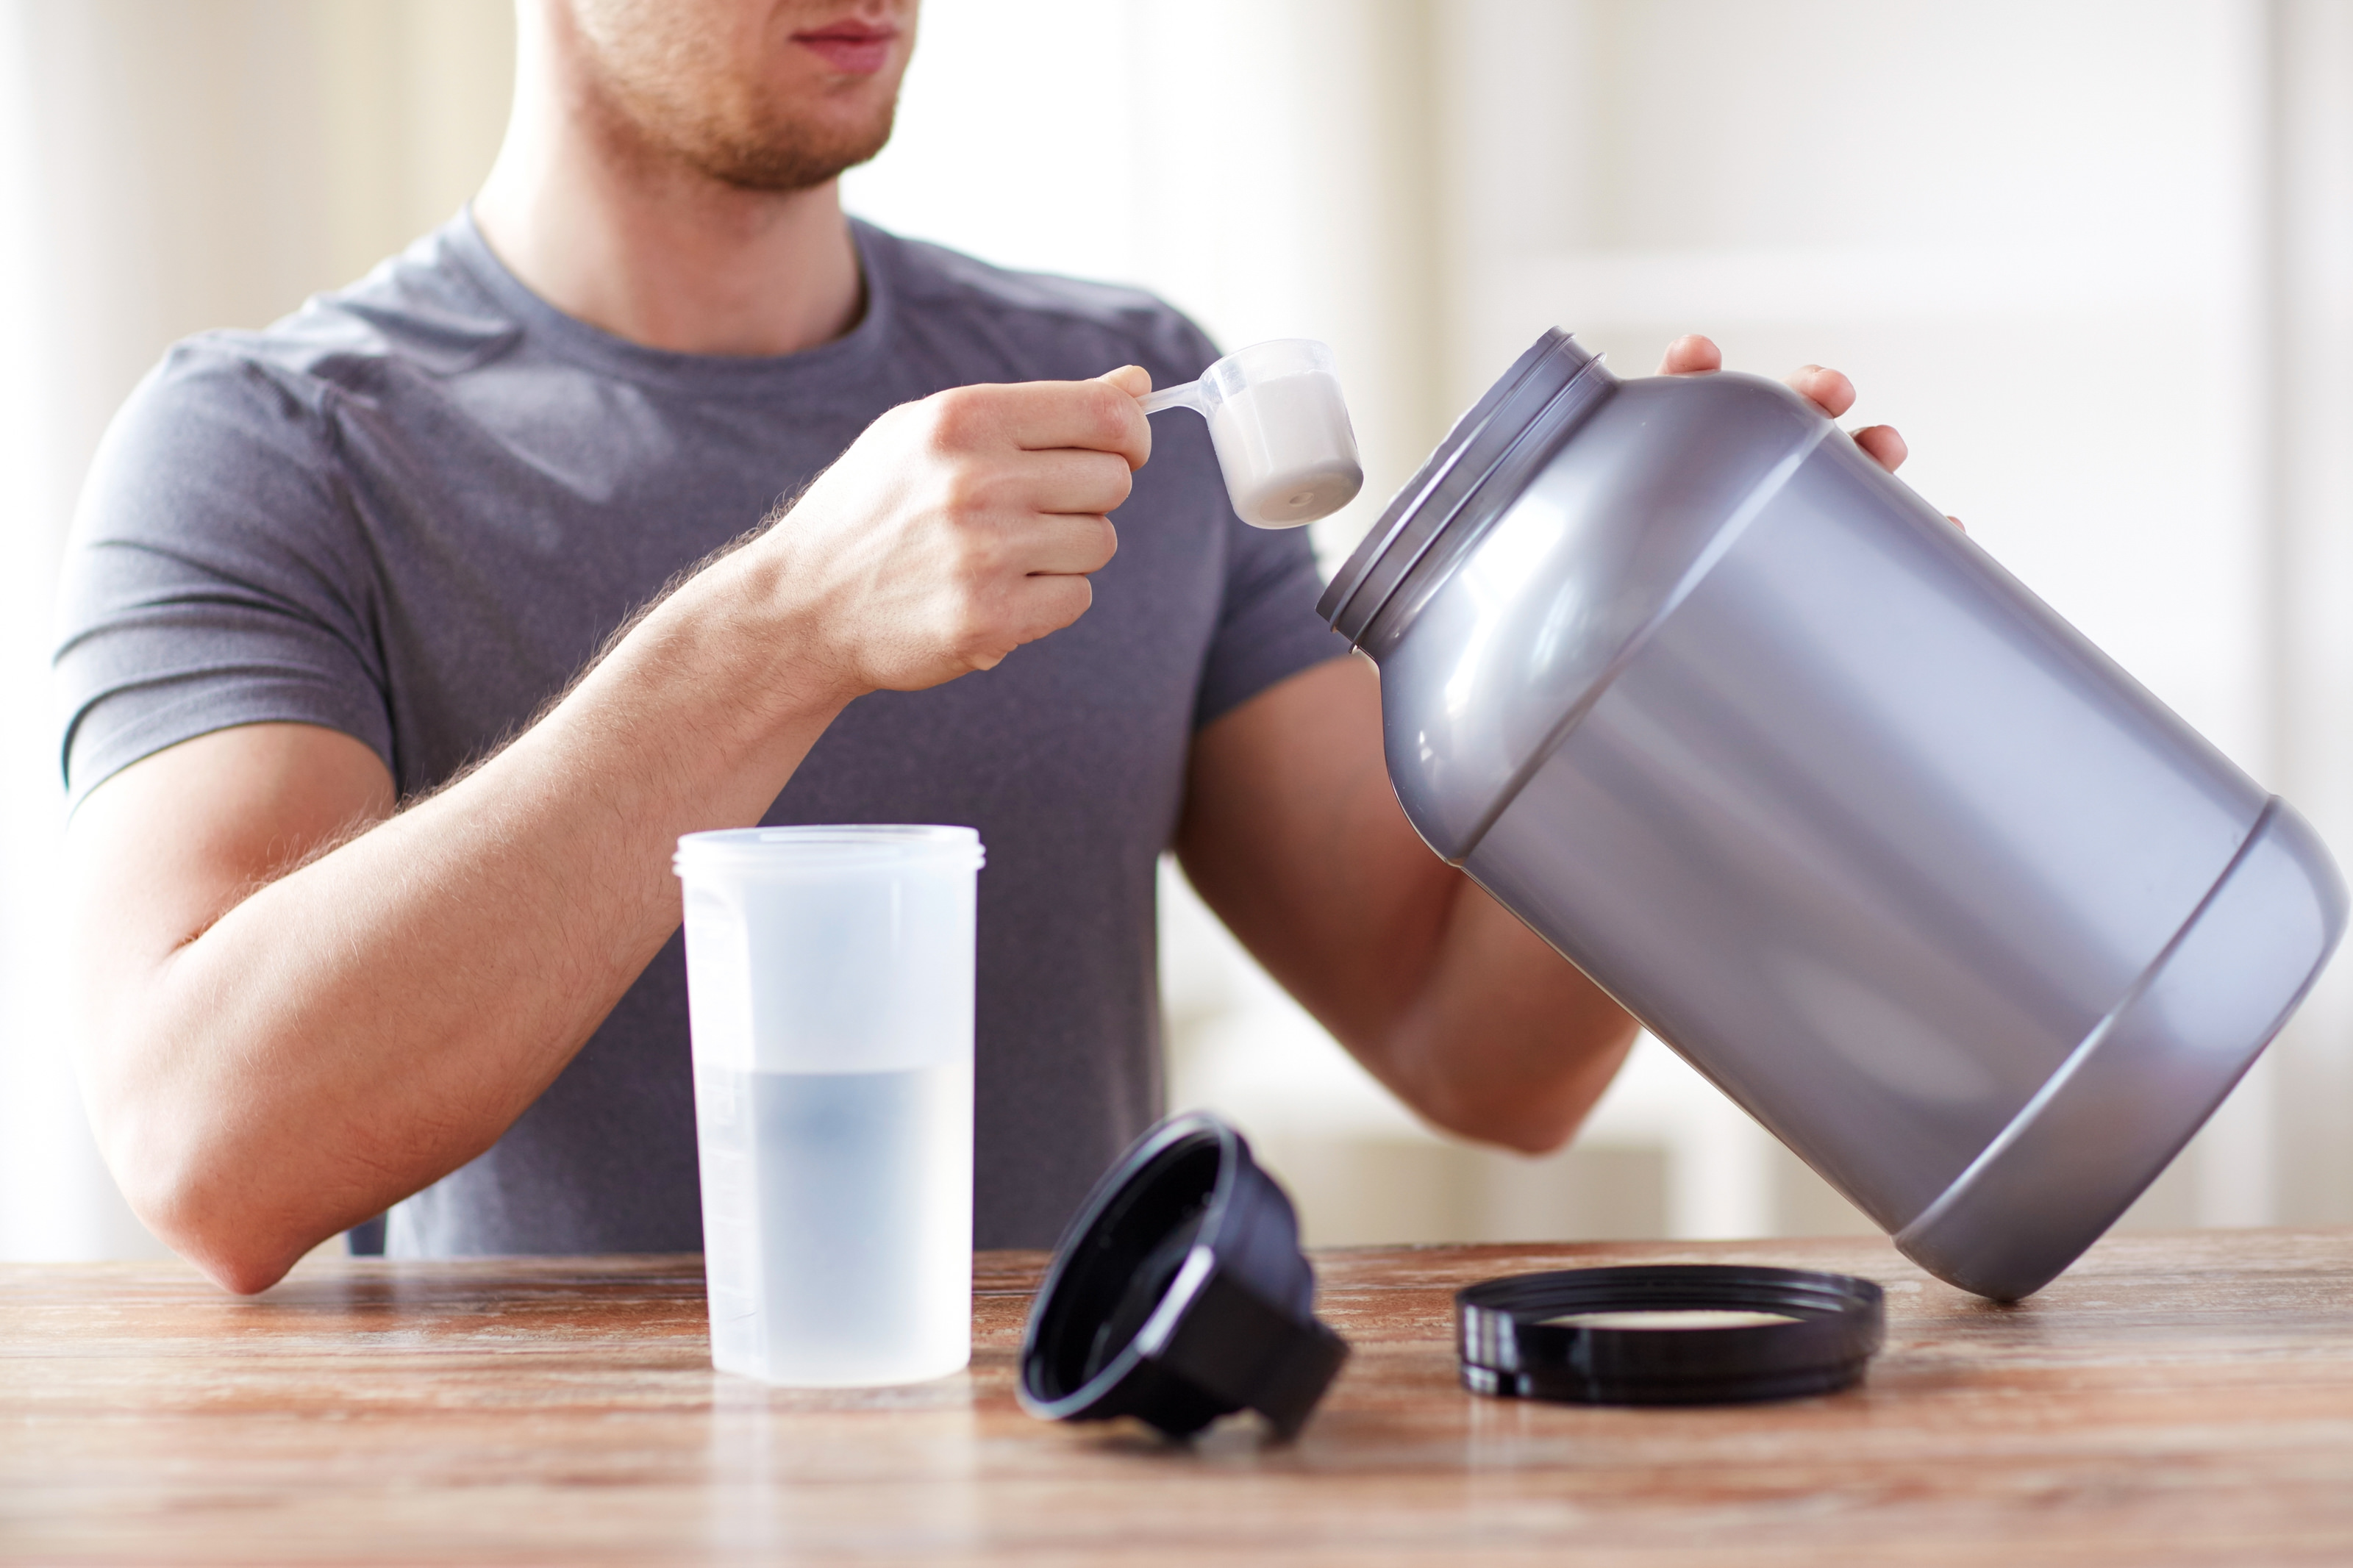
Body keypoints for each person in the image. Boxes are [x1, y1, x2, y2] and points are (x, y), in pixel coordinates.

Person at [54, 0, 1918, 1295]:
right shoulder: (269, 444)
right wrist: (779, 631)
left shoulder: (1128, 397)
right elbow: (212, 1152)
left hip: (1068, 1484)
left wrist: (1662, 707)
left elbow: (1482, 1055)